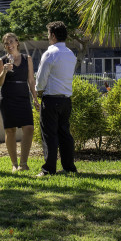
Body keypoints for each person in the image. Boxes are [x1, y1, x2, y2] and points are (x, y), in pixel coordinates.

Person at [35, 21, 78, 177]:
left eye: (48, 34)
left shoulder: (50, 53)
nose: (48, 37)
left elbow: (41, 79)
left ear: (53, 35)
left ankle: (48, 169)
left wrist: (38, 92)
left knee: (49, 135)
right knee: (65, 134)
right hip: (66, 100)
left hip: (51, 99)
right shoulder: (71, 54)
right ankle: (69, 167)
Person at [0, 33, 39, 172]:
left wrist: (35, 98)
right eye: (6, 43)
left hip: (23, 97)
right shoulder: (1, 61)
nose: (9, 45)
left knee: (29, 128)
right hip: (7, 98)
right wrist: (5, 71)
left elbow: (31, 80)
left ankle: (23, 163)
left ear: (17, 42)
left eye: (11, 42)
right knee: (10, 130)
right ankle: (14, 164)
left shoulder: (27, 59)